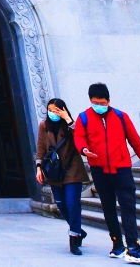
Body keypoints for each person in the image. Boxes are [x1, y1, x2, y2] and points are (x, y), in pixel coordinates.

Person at [73, 83, 140, 264]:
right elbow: (78, 137)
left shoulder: (121, 117)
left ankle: (133, 248)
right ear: (90, 100)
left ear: (109, 101)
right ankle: (117, 244)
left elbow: (136, 142)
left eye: (102, 102)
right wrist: (84, 149)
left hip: (122, 170)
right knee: (109, 208)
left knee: (128, 207)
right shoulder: (84, 118)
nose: (99, 105)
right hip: (99, 170)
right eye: (95, 102)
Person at [35, 98, 88, 255]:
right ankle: (78, 229)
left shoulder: (71, 125)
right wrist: (38, 167)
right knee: (61, 205)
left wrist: (68, 120)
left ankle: (74, 239)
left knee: (72, 203)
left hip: (72, 169)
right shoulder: (44, 127)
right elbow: (40, 148)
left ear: (63, 110)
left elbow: (81, 137)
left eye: (56, 110)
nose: (53, 113)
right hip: (54, 171)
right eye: (50, 110)